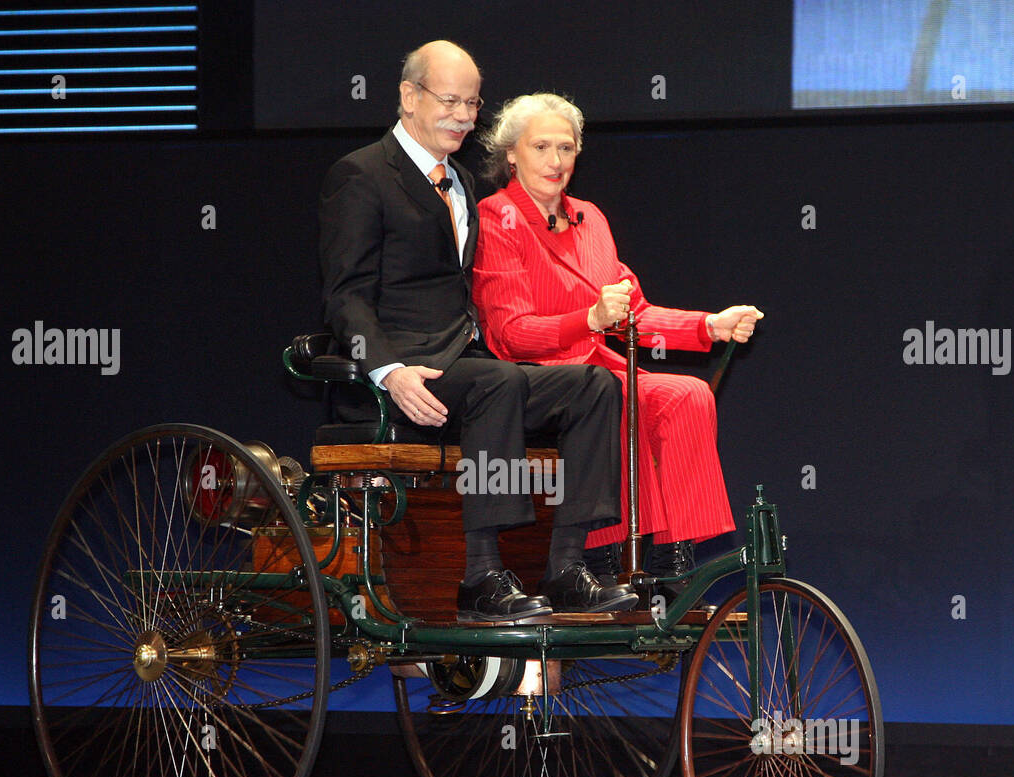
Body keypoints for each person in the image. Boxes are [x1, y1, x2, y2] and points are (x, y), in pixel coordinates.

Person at [318, 44, 637, 620]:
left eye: (472, 103)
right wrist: (388, 371)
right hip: (409, 371)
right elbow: (345, 297)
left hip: (468, 363)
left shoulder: (462, 180)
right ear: (409, 97)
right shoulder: (362, 174)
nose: (464, 115)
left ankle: (567, 567)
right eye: (450, 100)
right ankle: (481, 576)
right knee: (498, 383)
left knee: (593, 385)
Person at [471, 92, 764, 601]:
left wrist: (709, 326)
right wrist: (587, 318)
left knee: (688, 396)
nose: (556, 161)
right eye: (541, 147)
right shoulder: (496, 218)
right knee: (611, 392)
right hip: (534, 380)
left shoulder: (590, 218)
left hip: (599, 364)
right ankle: (601, 558)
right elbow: (509, 332)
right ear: (511, 154)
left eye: (567, 148)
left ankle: (673, 563)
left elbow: (633, 312)